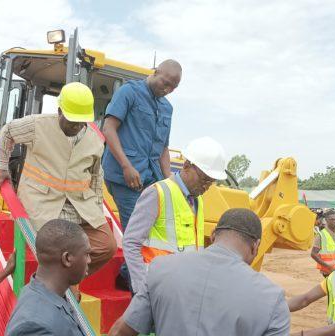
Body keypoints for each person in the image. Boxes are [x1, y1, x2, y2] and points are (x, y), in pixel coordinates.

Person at [0, 82, 116, 278]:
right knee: (62, 249)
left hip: (80, 204)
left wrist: (97, 210)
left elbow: (95, 177)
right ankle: (61, 284)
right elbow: (7, 132)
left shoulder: (95, 139)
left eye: (80, 122)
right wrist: (1, 166)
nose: (76, 127)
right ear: (59, 111)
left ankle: (68, 278)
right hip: (43, 201)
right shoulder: (37, 124)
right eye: (71, 121)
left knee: (107, 246)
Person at [109, 208, 290, 336]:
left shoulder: (160, 268)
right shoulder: (272, 299)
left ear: (213, 235)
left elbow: (121, 331)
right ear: (256, 246)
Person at [101, 60, 181, 287]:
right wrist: (126, 165)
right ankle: (132, 281)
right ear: (155, 72)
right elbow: (109, 128)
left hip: (151, 177)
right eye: (165, 83)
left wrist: (168, 181)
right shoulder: (129, 92)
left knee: (155, 228)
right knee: (137, 231)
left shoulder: (167, 108)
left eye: (172, 88)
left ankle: (132, 275)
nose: (167, 90)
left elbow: (163, 147)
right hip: (124, 175)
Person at [121, 136, 226, 294]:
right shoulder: (157, 193)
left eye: (211, 182)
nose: (206, 186)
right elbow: (130, 243)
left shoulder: (198, 201)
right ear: (187, 165)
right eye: (204, 179)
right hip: (155, 286)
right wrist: (141, 288)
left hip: (183, 289)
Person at [5, 219, 91, 335]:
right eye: (86, 254)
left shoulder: (53, 294)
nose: (89, 260)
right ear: (67, 259)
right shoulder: (35, 325)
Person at [311, 210, 335, 277]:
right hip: (328, 271)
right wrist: (328, 266)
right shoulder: (321, 235)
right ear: (326, 220)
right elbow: (313, 254)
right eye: (332, 219)